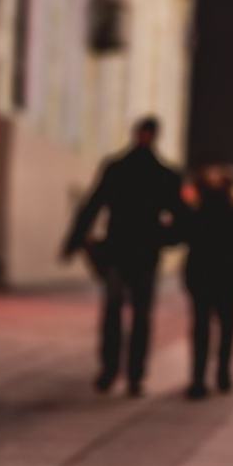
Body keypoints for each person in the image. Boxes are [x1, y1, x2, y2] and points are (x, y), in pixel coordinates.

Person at [61, 116, 184, 396]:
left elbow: (93, 204)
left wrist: (76, 240)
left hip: (132, 249)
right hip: (127, 250)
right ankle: (119, 371)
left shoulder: (141, 171)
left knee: (130, 312)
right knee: (121, 311)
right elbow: (93, 204)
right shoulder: (142, 171)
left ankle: (126, 372)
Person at [181, 163, 233, 399]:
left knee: (209, 325)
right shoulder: (229, 209)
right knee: (216, 325)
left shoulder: (204, 209)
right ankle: (211, 375)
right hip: (220, 274)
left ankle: (209, 376)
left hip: (213, 274)